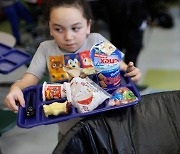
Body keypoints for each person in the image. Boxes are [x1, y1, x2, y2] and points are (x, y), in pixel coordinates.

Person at [4, 0, 141, 142]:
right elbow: (27, 81)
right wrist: (15, 89)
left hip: (105, 122)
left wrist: (131, 71)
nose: (68, 37)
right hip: (69, 130)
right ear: (49, 27)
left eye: (75, 28)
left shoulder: (97, 41)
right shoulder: (45, 49)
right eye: (58, 29)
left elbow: (123, 67)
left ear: (88, 25)